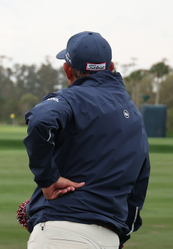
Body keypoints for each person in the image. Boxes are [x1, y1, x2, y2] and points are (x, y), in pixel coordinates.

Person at [23, 31, 150, 249]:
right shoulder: (134, 115)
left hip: (59, 231)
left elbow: (41, 121)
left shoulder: (69, 99)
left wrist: (48, 179)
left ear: (67, 69)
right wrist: (122, 234)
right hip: (110, 237)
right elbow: (139, 184)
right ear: (110, 67)